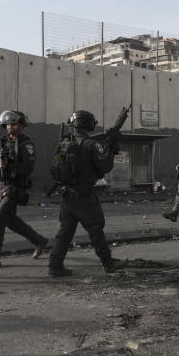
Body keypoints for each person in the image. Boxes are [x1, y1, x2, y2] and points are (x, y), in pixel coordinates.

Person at [45, 110, 126, 277]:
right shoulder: (91, 144)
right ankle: (108, 262)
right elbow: (105, 167)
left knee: (65, 232)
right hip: (84, 195)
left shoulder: (65, 142)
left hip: (67, 195)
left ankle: (54, 265)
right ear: (89, 124)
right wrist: (111, 149)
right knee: (96, 229)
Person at [0, 110, 48, 269]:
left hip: (16, 186)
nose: (10, 127)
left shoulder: (26, 144)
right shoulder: (2, 141)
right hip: (2, 185)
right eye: (8, 125)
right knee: (10, 221)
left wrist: (9, 163)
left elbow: (28, 167)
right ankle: (39, 240)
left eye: (13, 124)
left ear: (20, 125)